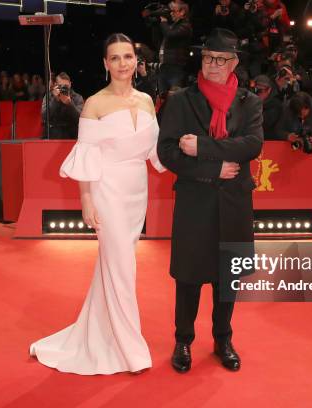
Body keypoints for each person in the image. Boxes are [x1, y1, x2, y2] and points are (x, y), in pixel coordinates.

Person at [29, 33, 165, 375]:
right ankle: (129, 348)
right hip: (107, 191)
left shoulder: (147, 101)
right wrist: (86, 200)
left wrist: (198, 154)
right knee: (121, 268)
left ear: (137, 61)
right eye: (115, 58)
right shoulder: (94, 103)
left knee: (116, 266)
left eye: (128, 56)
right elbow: (86, 158)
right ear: (105, 64)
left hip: (137, 192)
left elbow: (156, 153)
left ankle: (100, 333)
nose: (123, 63)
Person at [157, 28, 263, 373]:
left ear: (234, 63)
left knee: (226, 278)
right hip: (194, 200)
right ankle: (183, 341)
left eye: (220, 59)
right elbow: (168, 152)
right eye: (207, 58)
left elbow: (251, 145)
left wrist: (202, 147)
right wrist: (212, 168)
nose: (213, 65)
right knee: (188, 277)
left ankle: (223, 338)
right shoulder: (181, 100)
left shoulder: (249, 102)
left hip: (235, 202)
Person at [41, 72, 84, 139]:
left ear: (70, 84)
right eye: (61, 86)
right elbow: (44, 116)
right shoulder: (49, 96)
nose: (64, 88)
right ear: (56, 85)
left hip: (71, 135)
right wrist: (55, 100)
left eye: (66, 86)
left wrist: (70, 104)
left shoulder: (77, 97)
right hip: (53, 135)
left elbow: (80, 118)